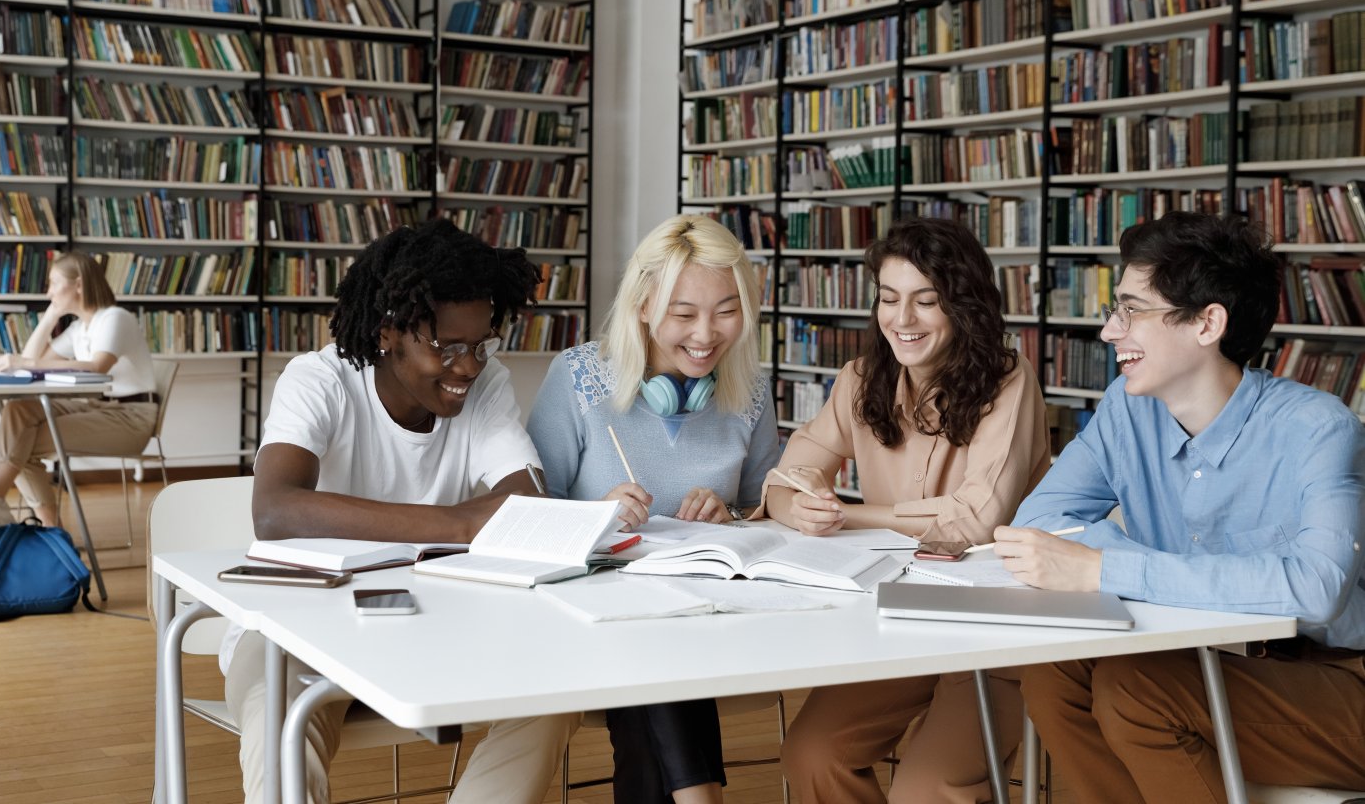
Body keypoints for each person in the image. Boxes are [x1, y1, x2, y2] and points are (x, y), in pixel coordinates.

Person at [996, 210, 1365, 803]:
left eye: (1132, 310)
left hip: (1338, 678)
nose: (1110, 332)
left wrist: (1103, 567)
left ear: (1207, 323)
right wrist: (1112, 560)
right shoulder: (1127, 408)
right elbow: (1039, 523)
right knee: (1054, 671)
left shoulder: (1318, 428)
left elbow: (1316, 587)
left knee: (1135, 687)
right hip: (1201, 659)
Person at [226, 218, 579, 804]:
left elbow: (527, 504)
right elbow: (277, 510)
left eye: (481, 344)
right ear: (390, 332)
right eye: (448, 346)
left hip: (442, 623)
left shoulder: (483, 386)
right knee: (278, 706)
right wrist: (461, 523)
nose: (468, 366)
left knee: (555, 692)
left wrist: (480, 517)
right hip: (302, 624)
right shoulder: (321, 380)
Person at [759, 216, 1051, 804]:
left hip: (994, 630)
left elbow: (974, 520)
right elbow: (783, 478)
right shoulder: (858, 380)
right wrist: (803, 505)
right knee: (812, 756)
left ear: (963, 306)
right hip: (894, 619)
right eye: (889, 299)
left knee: (924, 791)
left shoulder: (1008, 382)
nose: (902, 319)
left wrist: (851, 514)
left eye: (926, 301)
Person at [527, 213, 781, 804]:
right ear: (642, 306)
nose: (707, 334)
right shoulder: (579, 380)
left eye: (726, 310)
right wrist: (596, 513)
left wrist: (733, 518)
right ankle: (700, 795)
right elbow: (529, 514)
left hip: (716, 613)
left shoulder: (751, 390)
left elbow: (767, 515)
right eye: (683, 313)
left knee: (663, 644)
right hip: (593, 614)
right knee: (652, 642)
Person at [0, 251, 158, 533]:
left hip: (131, 418)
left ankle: (48, 531)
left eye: (53, 283)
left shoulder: (114, 317)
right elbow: (34, 357)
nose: (48, 291)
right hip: (97, 408)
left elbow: (98, 367)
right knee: (19, 411)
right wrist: (50, 317)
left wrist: (27, 362)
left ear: (79, 285)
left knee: (20, 443)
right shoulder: (80, 327)